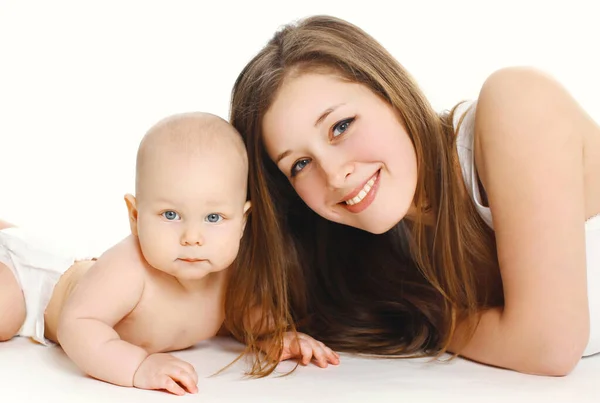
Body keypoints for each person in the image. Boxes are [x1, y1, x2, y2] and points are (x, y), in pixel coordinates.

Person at [227, 15, 600, 377]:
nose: (335, 175)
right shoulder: (384, 252)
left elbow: (549, 347)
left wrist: (429, 321)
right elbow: (229, 295)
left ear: (392, 94)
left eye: (341, 126)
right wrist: (270, 332)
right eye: (300, 164)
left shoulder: (517, 103)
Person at [0, 112, 338, 396]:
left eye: (213, 218)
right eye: (171, 215)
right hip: (34, 286)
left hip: (67, 264)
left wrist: (275, 335)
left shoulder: (228, 272)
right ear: (135, 217)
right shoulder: (129, 268)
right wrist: (138, 366)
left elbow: (247, 313)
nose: (193, 237)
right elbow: (78, 325)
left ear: (243, 222)